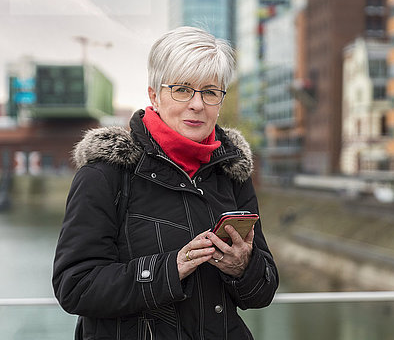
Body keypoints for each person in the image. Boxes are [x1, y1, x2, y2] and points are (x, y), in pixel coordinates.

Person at [53, 27, 278, 339]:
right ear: (154, 95)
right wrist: (170, 269)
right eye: (183, 89)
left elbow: (262, 292)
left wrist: (242, 266)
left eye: (210, 92)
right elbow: (75, 286)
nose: (197, 104)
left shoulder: (232, 171)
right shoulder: (106, 173)